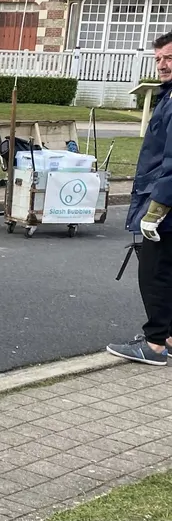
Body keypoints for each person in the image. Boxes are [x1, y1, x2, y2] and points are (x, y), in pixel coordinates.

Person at [107, 32, 172, 366]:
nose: (162, 65)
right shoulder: (167, 95)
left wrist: (156, 209)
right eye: (158, 58)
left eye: (169, 58)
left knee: (154, 272)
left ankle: (155, 344)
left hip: (166, 203)